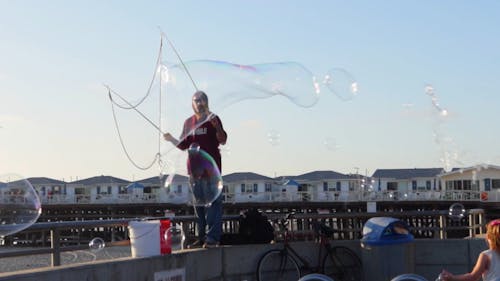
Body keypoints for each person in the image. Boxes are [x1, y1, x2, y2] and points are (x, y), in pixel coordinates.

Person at [163, 90, 227, 248]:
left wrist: (217, 127)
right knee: (199, 207)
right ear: (192, 104)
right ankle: (202, 237)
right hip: (194, 171)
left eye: (201, 100)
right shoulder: (188, 123)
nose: (199, 103)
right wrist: (171, 139)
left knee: (213, 205)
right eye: (195, 100)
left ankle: (213, 238)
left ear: (206, 102)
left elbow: (223, 140)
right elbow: (184, 145)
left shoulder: (213, 118)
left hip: (211, 171)